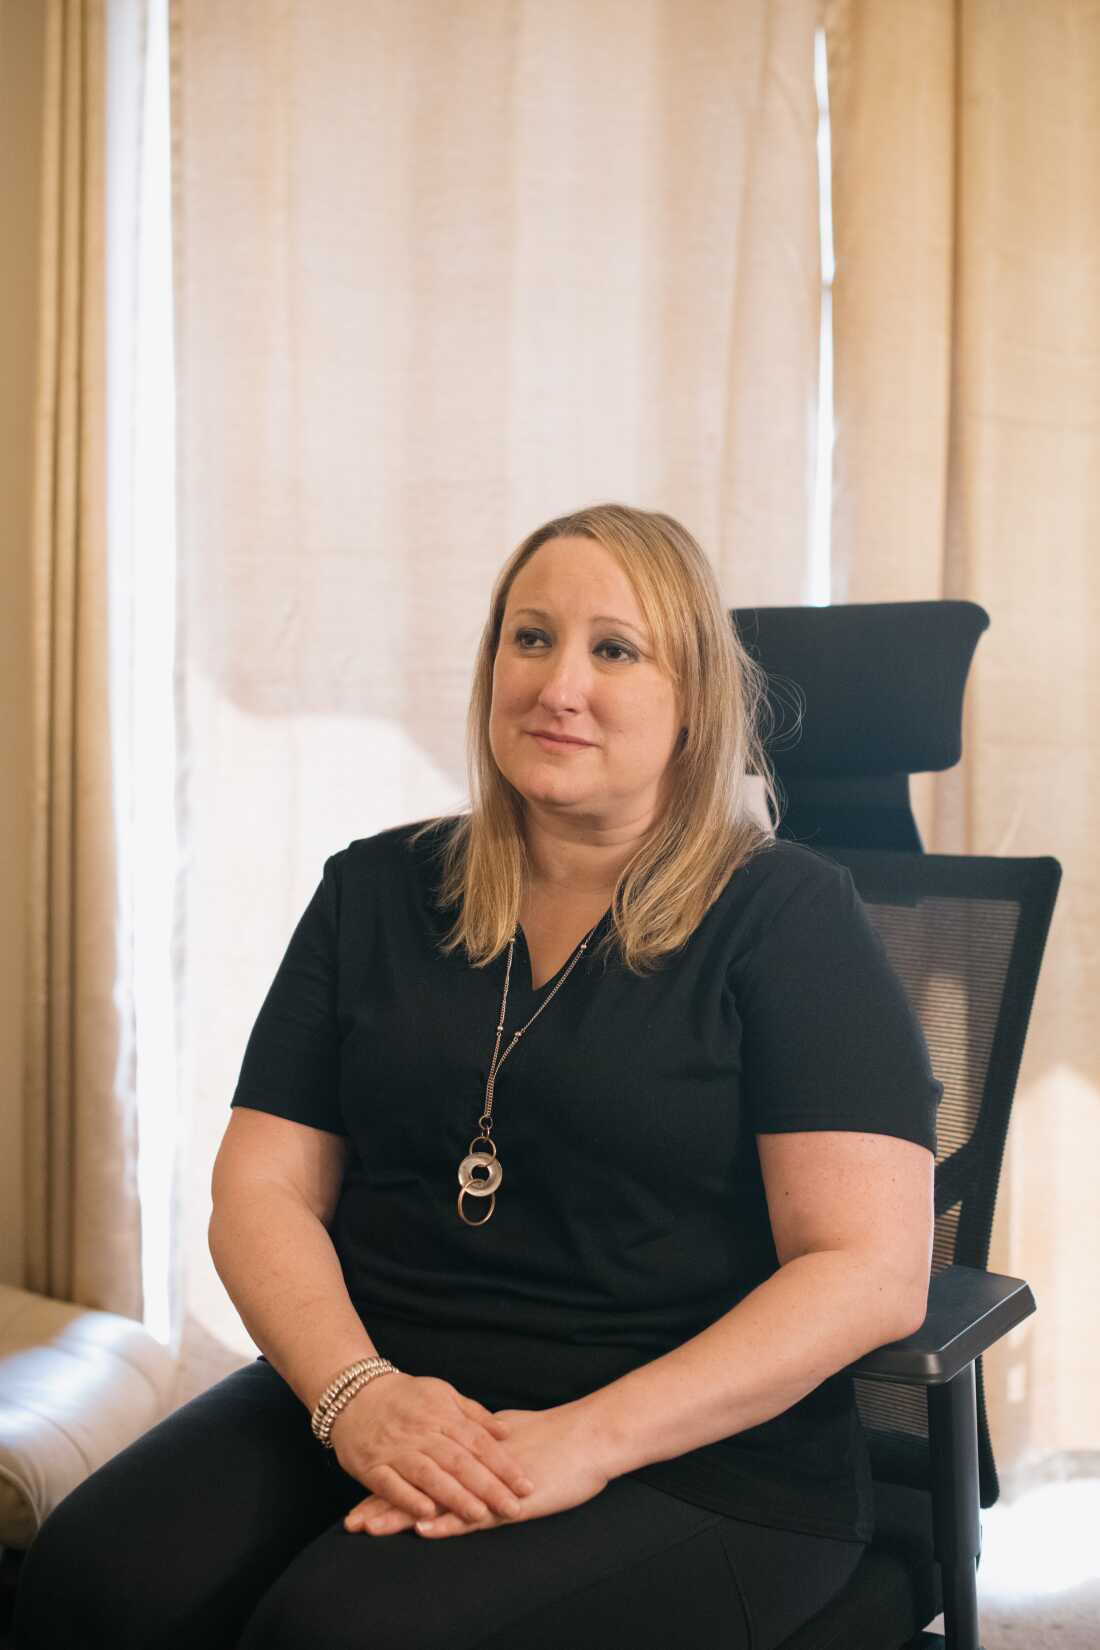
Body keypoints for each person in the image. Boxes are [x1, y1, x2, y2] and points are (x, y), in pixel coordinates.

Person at [13, 502, 942, 1650]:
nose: (558, 684)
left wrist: (579, 1442)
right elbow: (259, 1189)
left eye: (614, 648)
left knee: (336, 1636)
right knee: (90, 1586)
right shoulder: (373, 890)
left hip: (691, 1458)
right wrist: (355, 1397)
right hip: (375, 1386)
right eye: (529, 637)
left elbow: (867, 1271)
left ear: (694, 700)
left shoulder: (788, 919)